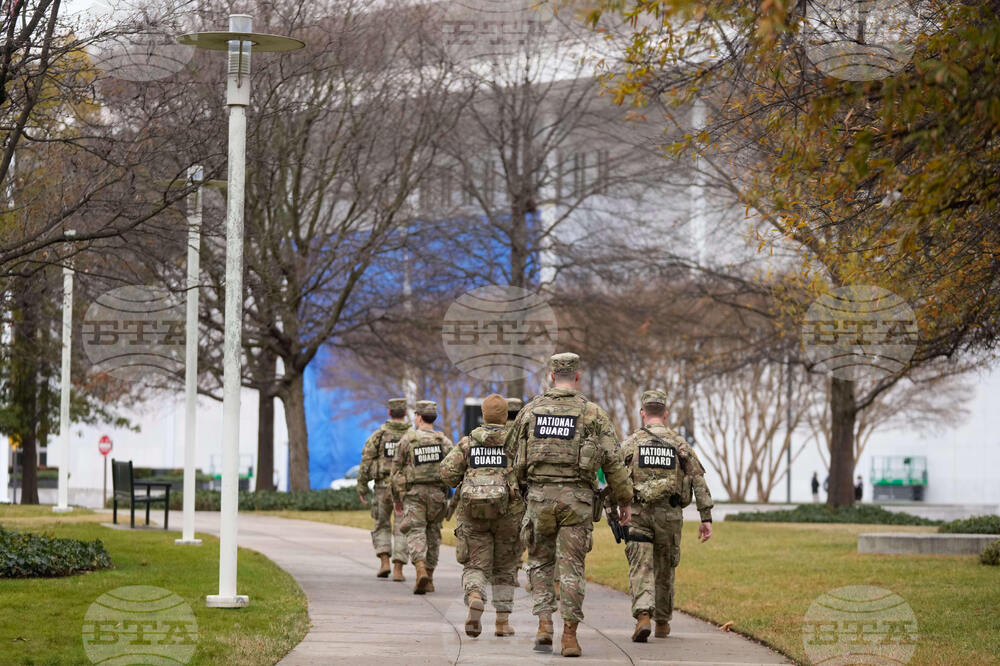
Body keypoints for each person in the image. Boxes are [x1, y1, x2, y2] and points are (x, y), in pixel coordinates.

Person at [508, 352, 633, 657]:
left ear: (552, 376)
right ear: (577, 376)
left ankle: (543, 625)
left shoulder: (530, 411)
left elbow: (512, 452)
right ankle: (569, 637)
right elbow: (614, 462)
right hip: (577, 503)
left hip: (539, 500)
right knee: (572, 569)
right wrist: (624, 500)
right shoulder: (592, 414)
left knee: (540, 562)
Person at [620, 390, 714, 642]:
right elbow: (698, 479)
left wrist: (618, 507)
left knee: (641, 566)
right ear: (666, 414)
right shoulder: (679, 444)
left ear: (643, 413)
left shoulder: (630, 443)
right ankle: (662, 622)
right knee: (664, 568)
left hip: (638, 514)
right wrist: (705, 518)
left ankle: (643, 616)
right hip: (669, 516)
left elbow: (616, 477)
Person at [440, 394, 525, 638]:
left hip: (472, 515)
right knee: (506, 566)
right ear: (505, 416)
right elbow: (529, 475)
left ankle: (476, 595)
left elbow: (446, 474)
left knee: (475, 564)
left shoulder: (468, 443)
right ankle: (502, 622)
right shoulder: (517, 444)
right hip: (509, 515)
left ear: (484, 415)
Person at [390, 400, 453, 594]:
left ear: (418, 417)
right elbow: (453, 469)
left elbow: (395, 471)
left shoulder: (408, 440)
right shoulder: (444, 441)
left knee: (415, 531)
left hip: (414, 495)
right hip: (437, 495)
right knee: (433, 534)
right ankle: (430, 578)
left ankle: (420, 569)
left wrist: (396, 498)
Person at [356, 398, 412, 580]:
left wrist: (362, 486)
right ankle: (398, 569)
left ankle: (384, 562)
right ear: (405, 413)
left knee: (381, 524)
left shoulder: (378, 436)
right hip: (404, 489)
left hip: (382, 488)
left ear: (389, 412)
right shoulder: (413, 435)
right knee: (403, 527)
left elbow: (366, 461)